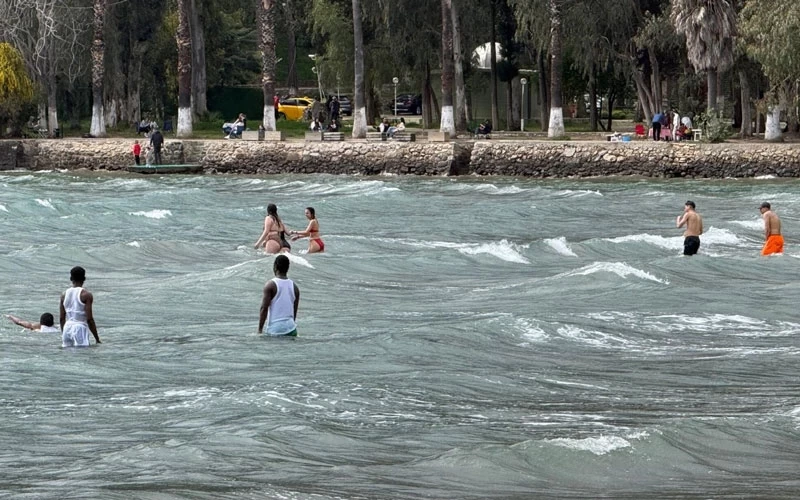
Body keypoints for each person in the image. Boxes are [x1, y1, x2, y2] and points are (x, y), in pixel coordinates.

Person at [258, 255, 300, 336]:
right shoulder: (295, 287)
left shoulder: (270, 285)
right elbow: (294, 312)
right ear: (288, 268)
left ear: (275, 266)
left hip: (276, 329)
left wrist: (259, 330)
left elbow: (264, 309)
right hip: (291, 328)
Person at [60, 266, 101, 347]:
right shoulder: (86, 295)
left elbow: (62, 318)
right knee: (82, 355)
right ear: (84, 278)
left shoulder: (63, 295)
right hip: (80, 328)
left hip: (67, 328)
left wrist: (63, 333)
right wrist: (97, 339)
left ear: (71, 278)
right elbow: (89, 319)